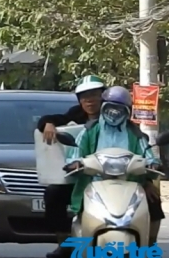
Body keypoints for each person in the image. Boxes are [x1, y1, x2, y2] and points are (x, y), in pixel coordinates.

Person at [64, 86, 164, 249]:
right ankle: (76, 246)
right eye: (110, 107)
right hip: (94, 183)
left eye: (119, 109)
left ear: (127, 111)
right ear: (103, 107)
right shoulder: (90, 130)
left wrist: (153, 164)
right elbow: (75, 151)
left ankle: (149, 246)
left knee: (153, 204)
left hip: (130, 184)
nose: (114, 112)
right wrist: (75, 162)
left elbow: (148, 154)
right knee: (75, 211)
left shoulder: (136, 134)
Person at [36, 75, 104, 258]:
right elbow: (52, 118)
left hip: (113, 176)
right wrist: (48, 124)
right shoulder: (75, 115)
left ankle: (145, 244)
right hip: (83, 176)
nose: (89, 100)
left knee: (147, 199)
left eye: (94, 95)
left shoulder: (114, 115)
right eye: (84, 96)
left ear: (102, 96)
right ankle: (65, 243)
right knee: (54, 193)